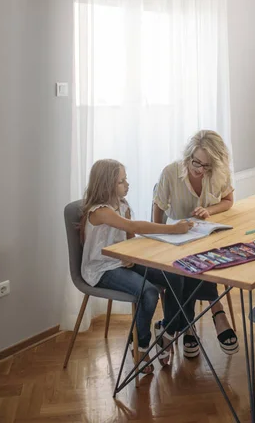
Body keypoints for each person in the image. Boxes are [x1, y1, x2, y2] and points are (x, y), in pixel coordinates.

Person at [80, 159, 193, 374]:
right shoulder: (100, 211)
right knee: (148, 292)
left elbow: (131, 239)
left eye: (125, 179)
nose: (127, 184)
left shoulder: (123, 206)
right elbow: (133, 227)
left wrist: (142, 256)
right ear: (107, 185)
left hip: (122, 262)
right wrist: (172, 229)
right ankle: (140, 346)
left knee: (175, 275)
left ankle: (168, 333)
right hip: (102, 269)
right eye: (121, 181)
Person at [153, 130, 239, 358]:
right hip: (177, 238)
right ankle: (216, 312)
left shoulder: (219, 173)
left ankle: (187, 325)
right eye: (196, 162)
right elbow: (158, 207)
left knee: (206, 257)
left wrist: (209, 210)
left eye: (207, 166)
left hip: (206, 235)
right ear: (188, 154)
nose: (200, 170)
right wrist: (159, 240)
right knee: (189, 265)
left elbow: (229, 201)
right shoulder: (171, 172)